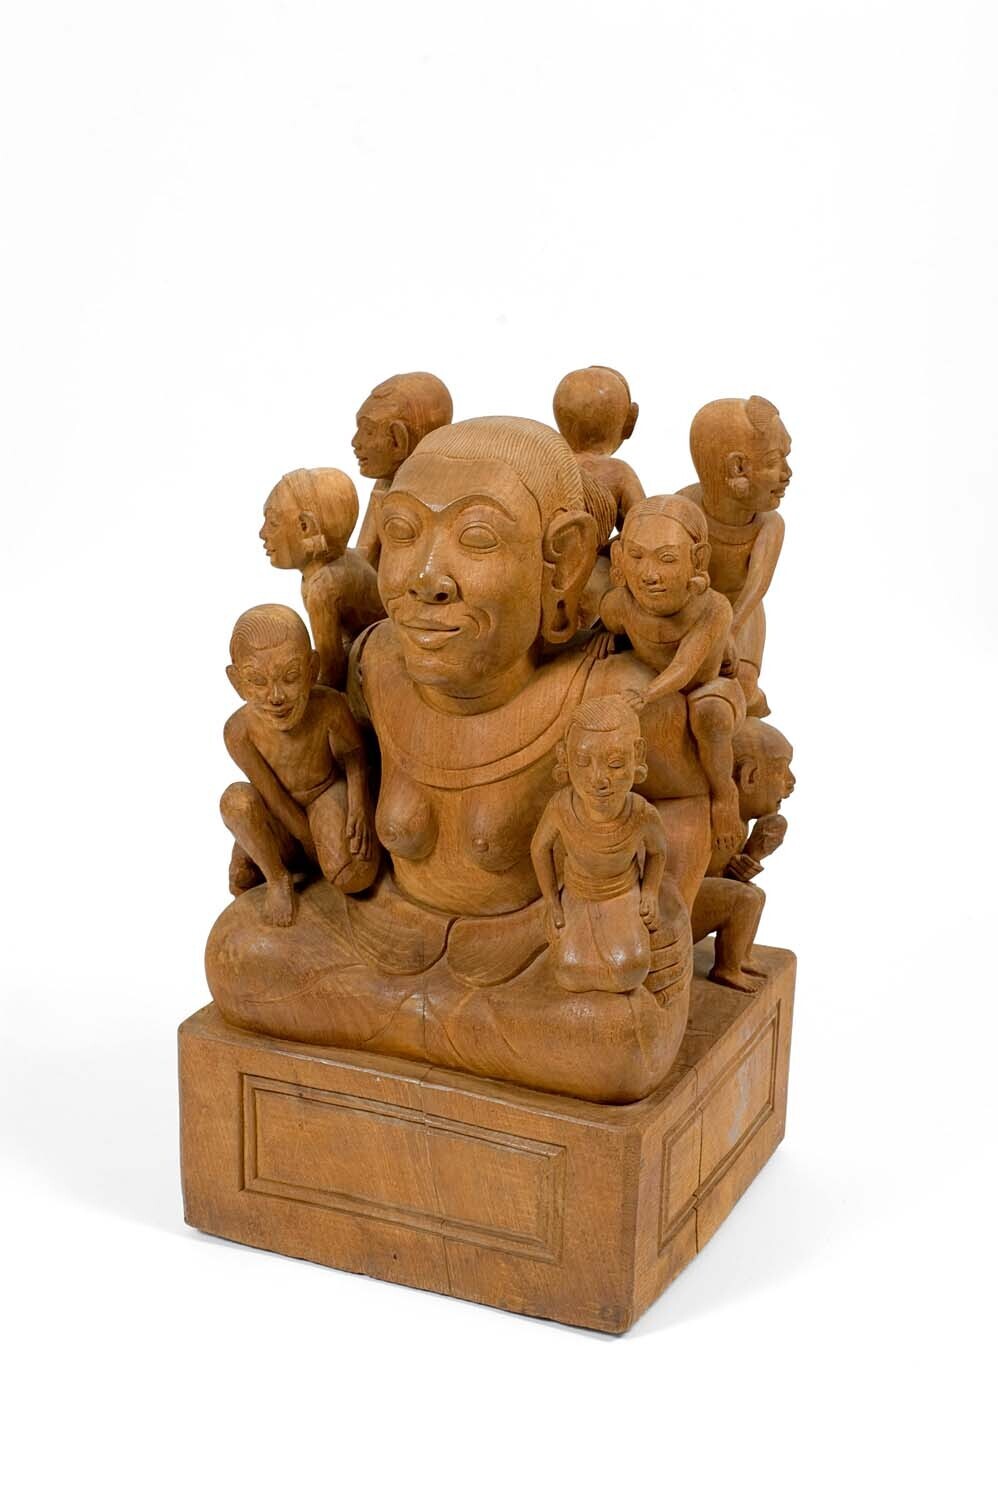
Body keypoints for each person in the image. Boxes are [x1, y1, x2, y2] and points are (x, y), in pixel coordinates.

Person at [207, 418, 716, 1103]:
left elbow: (683, 801)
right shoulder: (378, 663)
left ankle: (417, 1029)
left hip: (534, 948)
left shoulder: (607, 694)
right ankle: (440, 1030)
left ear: (562, 562)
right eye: (403, 532)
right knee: (239, 954)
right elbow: (330, 767)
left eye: (477, 539)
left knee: (611, 1041)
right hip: (379, 933)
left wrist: (663, 910)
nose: (426, 579)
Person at [600, 495, 744, 853]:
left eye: (666, 559)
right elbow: (608, 625)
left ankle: (724, 795)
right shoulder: (619, 605)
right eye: (636, 557)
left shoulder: (712, 608)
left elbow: (684, 666)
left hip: (703, 687)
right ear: (618, 558)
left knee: (710, 716)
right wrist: (603, 639)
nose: (649, 575)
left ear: (698, 559)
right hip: (648, 681)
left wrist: (647, 693)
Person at [220, 604, 378, 926]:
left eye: (290, 677)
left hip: (324, 793)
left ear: (312, 669)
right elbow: (271, 794)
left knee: (354, 876)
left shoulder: (330, 706)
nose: (276, 696)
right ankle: (278, 878)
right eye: (257, 681)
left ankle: (312, 866)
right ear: (236, 682)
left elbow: (355, 755)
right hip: (279, 815)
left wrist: (358, 804)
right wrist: (307, 841)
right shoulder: (238, 732)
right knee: (235, 805)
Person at [531, 696, 668, 993]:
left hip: (621, 892)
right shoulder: (561, 807)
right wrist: (552, 902)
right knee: (568, 972)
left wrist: (649, 892)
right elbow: (539, 849)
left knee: (629, 971)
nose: (599, 779)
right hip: (577, 892)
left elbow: (658, 852)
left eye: (615, 764)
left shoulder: (641, 813)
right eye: (583, 762)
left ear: (637, 755)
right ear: (565, 757)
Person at [680, 394, 791, 717]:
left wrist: (729, 630)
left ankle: (747, 703)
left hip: (742, 613)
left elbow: (758, 584)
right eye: (774, 461)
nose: (787, 473)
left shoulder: (769, 524)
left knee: (741, 689)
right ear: (737, 468)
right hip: (691, 613)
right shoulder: (685, 509)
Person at [691, 718, 795, 990]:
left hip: (694, 900)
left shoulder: (738, 821)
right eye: (782, 770)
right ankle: (727, 969)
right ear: (749, 775)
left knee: (754, 894)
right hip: (675, 914)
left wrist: (752, 856)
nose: (791, 782)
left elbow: (721, 878)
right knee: (745, 898)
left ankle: (740, 957)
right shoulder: (706, 820)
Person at [260, 467, 384, 688]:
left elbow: (331, 673)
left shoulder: (323, 588)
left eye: (273, 523)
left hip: (375, 657)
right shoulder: (345, 560)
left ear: (305, 527)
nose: (263, 533)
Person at [351, 372, 453, 567]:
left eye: (369, 432)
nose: (355, 442)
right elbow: (364, 556)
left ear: (399, 440)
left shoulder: (423, 496)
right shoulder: (385, 482)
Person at [553, 365, 645, 530]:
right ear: (629, 423)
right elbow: (643, 528)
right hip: (591, 547)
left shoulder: (549, 465)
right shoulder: (620, 473)